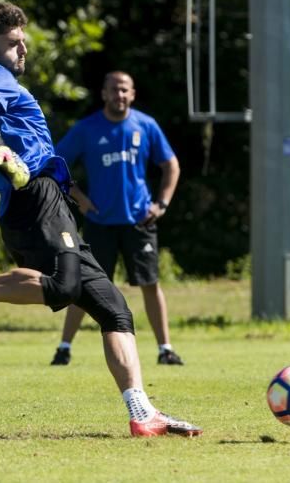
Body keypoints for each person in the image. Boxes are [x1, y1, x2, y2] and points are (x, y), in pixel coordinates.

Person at [0, 1, 202, 437]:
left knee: (114, 310)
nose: (23, 51)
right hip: (34, 199)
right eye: (14, 43)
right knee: (64, 287)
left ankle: (142, 411)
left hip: (43, 205)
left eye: (23, 43)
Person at [50, 71, 183, 367]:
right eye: (114, 90)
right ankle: (64, 348)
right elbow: (56, 166)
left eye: (124, 90)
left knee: (149, 283)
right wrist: (80, 200)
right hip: (100, 223)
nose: (119, 95)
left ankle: (165, 349)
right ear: (104, 94)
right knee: (85, 286)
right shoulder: (87, 128)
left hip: (139, 221)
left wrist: (161, 204)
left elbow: (171, 166)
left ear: (132, 94)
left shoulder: (146, 126)